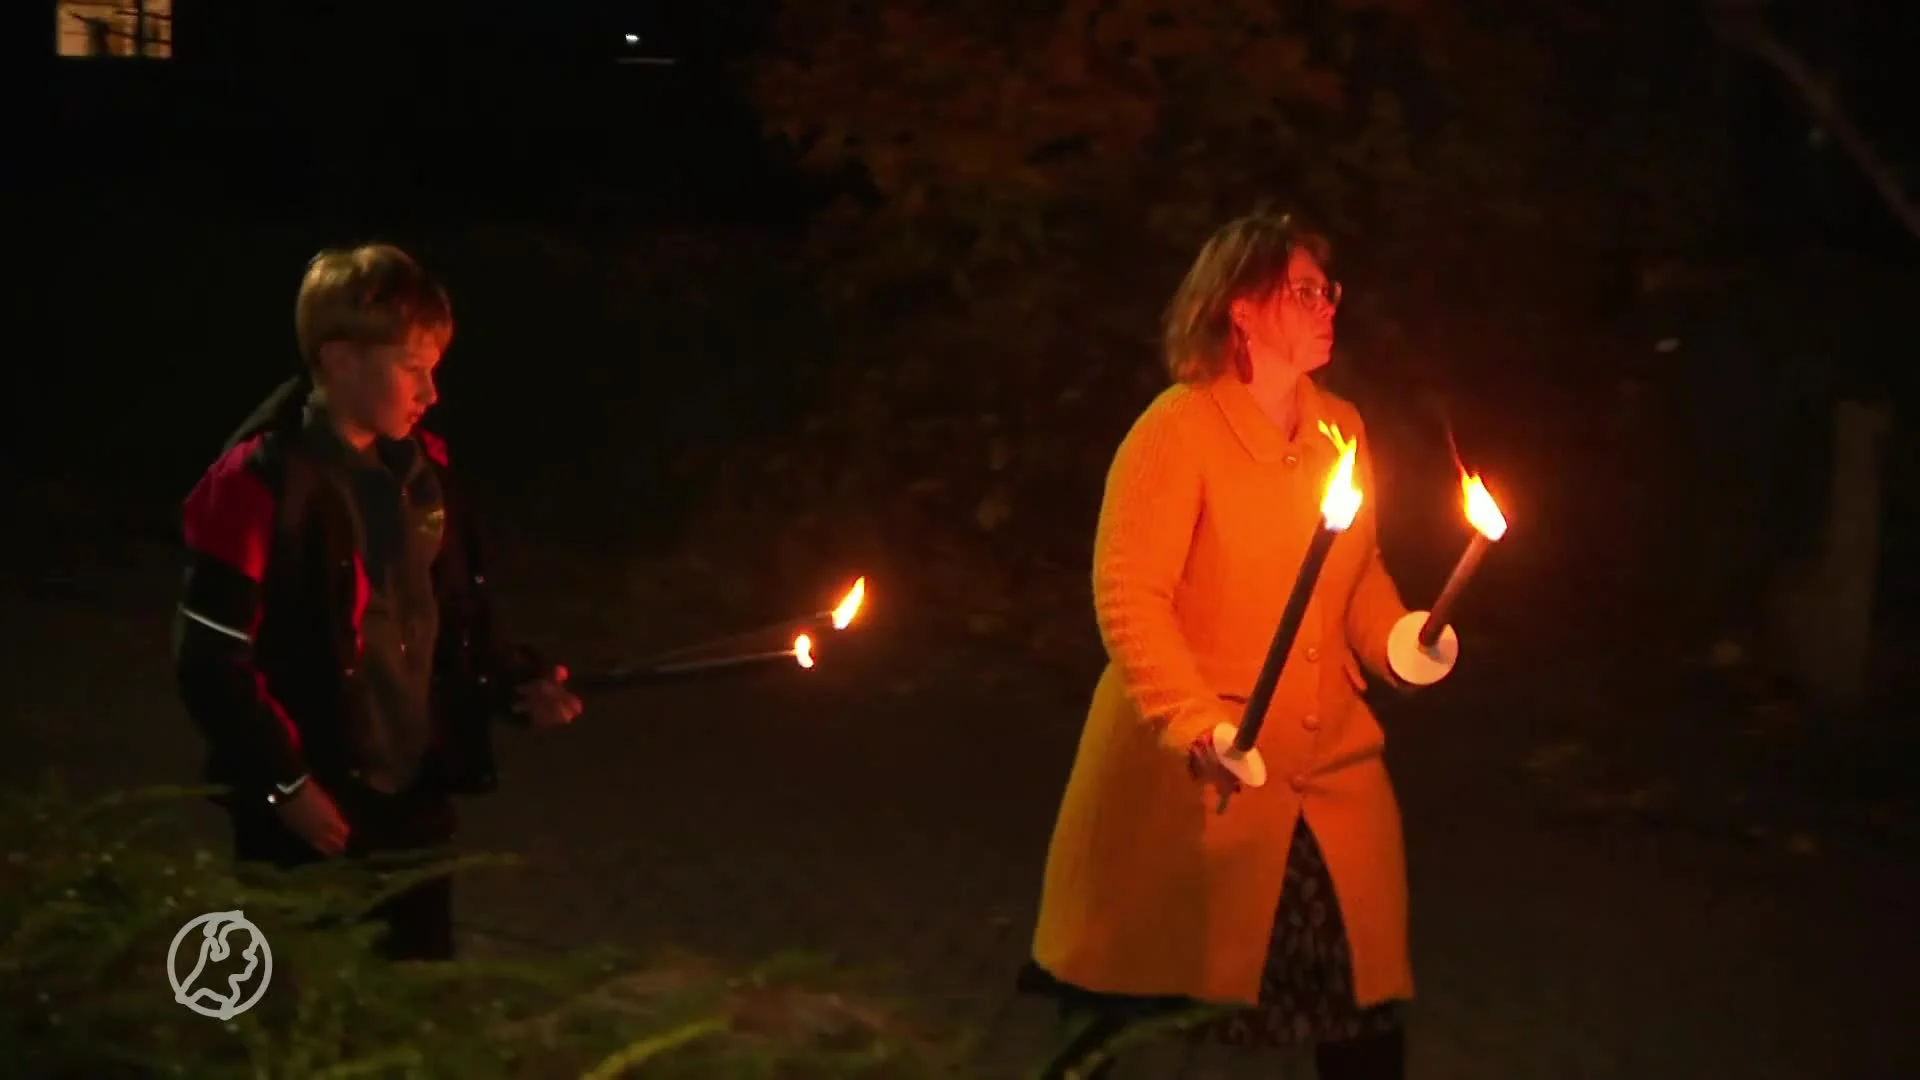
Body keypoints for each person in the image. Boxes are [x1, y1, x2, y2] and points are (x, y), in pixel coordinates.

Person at [1020, 214, 1442, 1080]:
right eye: (1304, 291)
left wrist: (1399, 637)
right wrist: (1194, 722)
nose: (1329, 306)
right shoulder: (1177, 432)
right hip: (1202, 777)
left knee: (1360, 1000)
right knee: (1136, 1009)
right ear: (1240, 309)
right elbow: (1130, 596)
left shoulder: (1341, 429)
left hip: (1328, 775)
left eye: (1329, 290)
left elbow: (1355, 573)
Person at [172, 243, 584, 962]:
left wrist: (519, 686)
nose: (432, 393)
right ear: (338, 360)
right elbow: (210, 661)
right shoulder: (257, 485)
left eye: (434, 369)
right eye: (412, 368)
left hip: (414, 802)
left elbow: (451, 626)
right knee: (303, 997)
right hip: (311, 812)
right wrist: (287, 786)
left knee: (417, 992)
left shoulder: (426, 477)